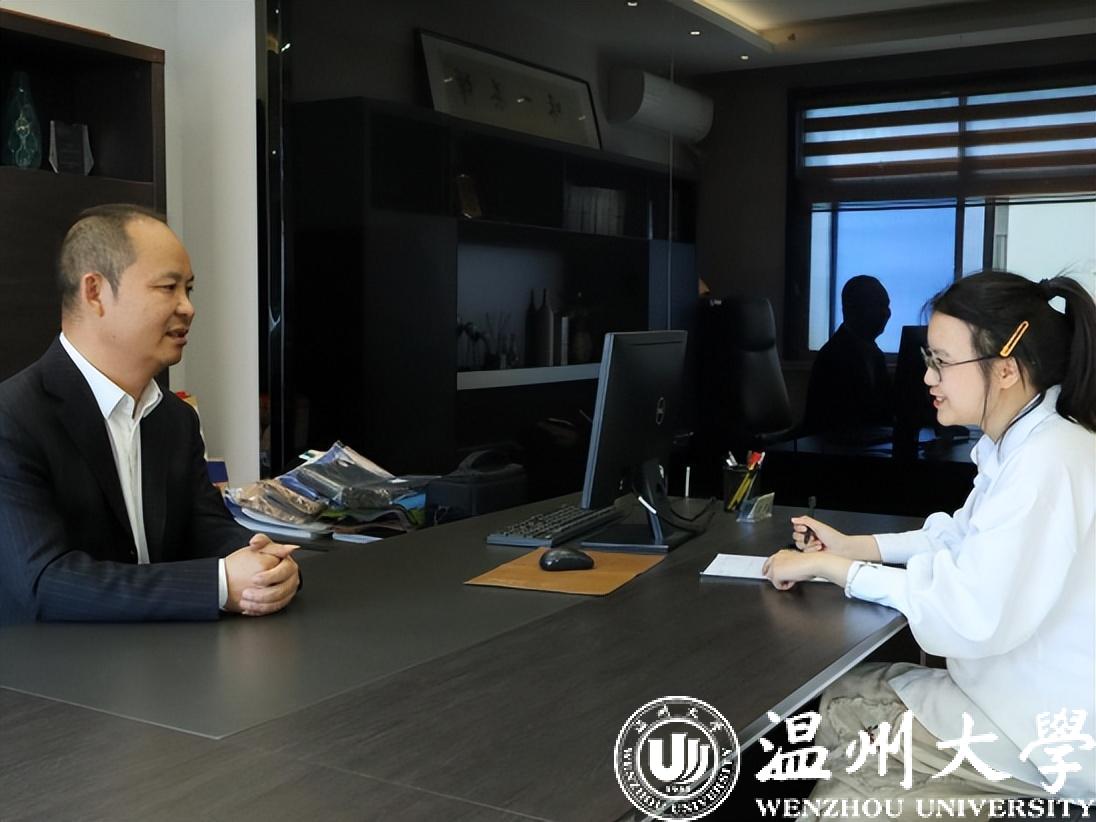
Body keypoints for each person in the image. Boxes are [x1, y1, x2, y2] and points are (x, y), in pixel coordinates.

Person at [763, 271, 1096, 814]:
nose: (927, 376)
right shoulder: (1029, 439)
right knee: (835, 702)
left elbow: (967, 613)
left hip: (1035, 738)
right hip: (1006, 702)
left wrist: (835, 571)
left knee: (835, 770)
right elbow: (959, 536)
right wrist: (853, 548)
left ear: (1005, 368)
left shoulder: (1045, 462)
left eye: (941, 361)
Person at [0, 204, 300, 623]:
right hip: (56, 663)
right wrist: (218, 584)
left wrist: (264, 563)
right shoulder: (14, 418)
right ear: (95, 292)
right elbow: (43, 582)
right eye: (168, 287)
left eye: (188, 289)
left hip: (165, 654)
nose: (187, 308)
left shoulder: (175, 418)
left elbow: (206, 528)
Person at [803, 275, 894, 438]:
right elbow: (845, 421)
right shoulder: (834, 357)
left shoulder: (874, 354)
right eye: (878, 305)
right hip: (837, 449)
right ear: (853, 310)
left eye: (887, 305)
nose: (886, 313)